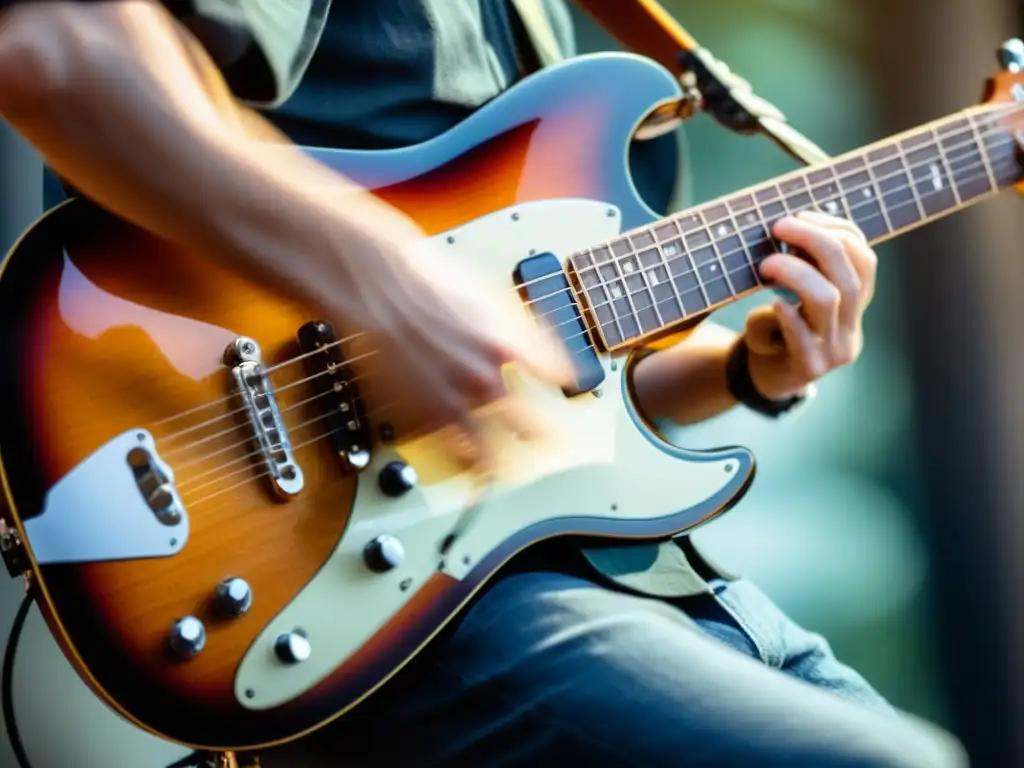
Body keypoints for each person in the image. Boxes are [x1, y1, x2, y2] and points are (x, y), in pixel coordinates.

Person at [0, 2, 970, 766]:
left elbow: (528, 370)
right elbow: (53, 47)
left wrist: (747, 370)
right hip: (355, 593)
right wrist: (379, 275)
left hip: (623, 577)